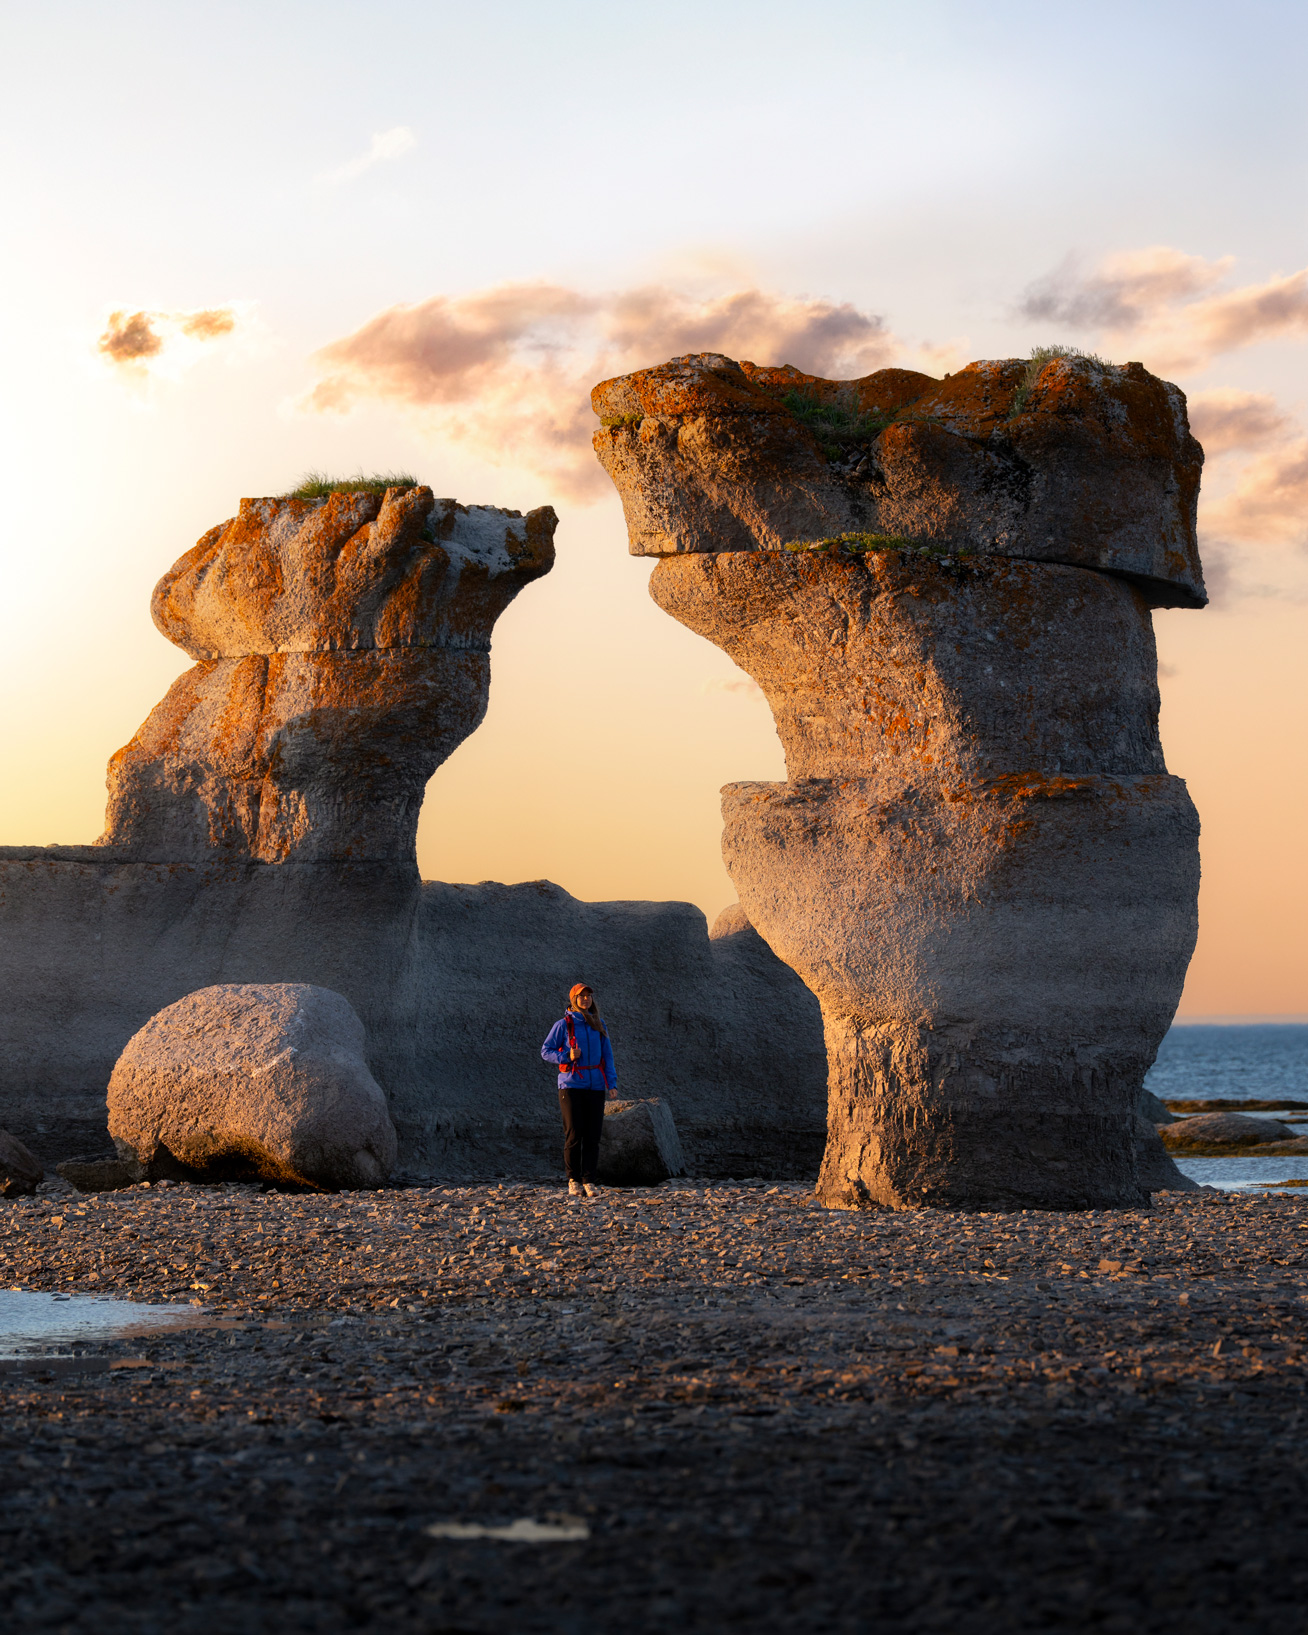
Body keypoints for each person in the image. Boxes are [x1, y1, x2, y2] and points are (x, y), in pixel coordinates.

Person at [541, 982, 617, 1198]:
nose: (586, 999)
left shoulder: (599, 1024)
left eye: (589, 996)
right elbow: (545, 1051)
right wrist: (566, 1056)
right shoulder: (563, 1025)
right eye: (581, 996)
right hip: (571, 1085)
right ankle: (573, 1180)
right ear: (573, 999)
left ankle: (589, 1180)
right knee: (574, 1134)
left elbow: (607, 1057)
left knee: (593, 1135)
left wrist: (611, 1084)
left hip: (595, 1086)